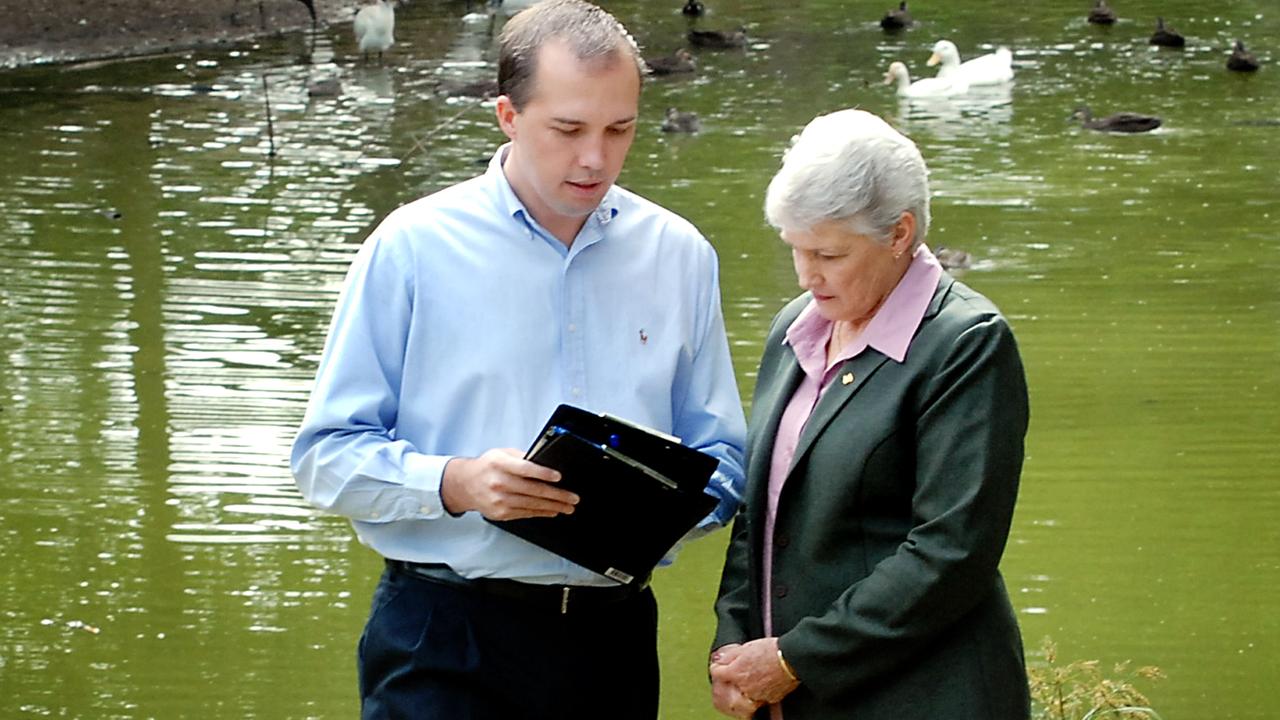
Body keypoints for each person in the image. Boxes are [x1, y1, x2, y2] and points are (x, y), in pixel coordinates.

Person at [290, 1, 747, 717]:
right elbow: (325, 458)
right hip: (443, 635)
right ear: (507, 115)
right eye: (568, 129)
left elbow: (724, 458)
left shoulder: (680, 255)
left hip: (611, 642)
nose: (595, 157)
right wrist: (457, 483)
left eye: (618, 129)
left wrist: (659, 510)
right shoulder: (410, 248)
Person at [708, 109, 1030, 719]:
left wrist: (796, 658)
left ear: (900, 233)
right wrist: (733, 645)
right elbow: (762, 512)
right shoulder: (795, 328)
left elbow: (950, 554)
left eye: (829, 254)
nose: (807, 276)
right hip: (793, 698)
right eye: (796, 250)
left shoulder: (967, 343)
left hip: (923, 698)